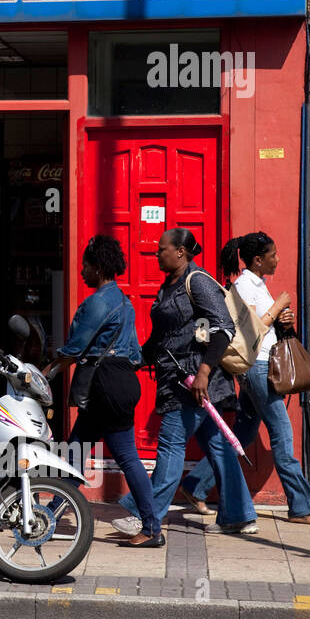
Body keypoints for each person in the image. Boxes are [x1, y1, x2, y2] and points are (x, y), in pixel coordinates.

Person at [178, 232, 310, 525]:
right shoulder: (245, 286)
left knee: (246, 432)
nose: (277, 259)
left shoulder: (259, 285)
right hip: (257, 368)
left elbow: (266, 325)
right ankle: (301, 506)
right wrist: (277, 310)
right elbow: (247, 330)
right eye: (273, 255)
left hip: (261, 365)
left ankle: (195, 485)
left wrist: (282, 319)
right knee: (282, 435)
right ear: (258, 260)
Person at [113, 228, 259, 536]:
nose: (157, 253)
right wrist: (133, 361)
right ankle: (238, 514)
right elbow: (162, 339)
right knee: (218, 446)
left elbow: (223, 328)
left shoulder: (199, 281)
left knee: (170, 444)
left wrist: (204, 372)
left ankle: (146, 514)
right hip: (181, 378)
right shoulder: (169, 286)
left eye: (162, 249)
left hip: (194, 383)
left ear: (181, 251)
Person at [44, 236, 162, 547]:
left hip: (104, 385)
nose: (82, 271)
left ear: (98, 267)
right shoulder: (124, 302)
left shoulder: (97, 302)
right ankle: (51, 512)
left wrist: (47, 368)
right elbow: (136, 354)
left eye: (85, 265)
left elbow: (75, 346)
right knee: (76, 451)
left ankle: (151, 527)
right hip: (121, 381)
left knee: (124, 455)